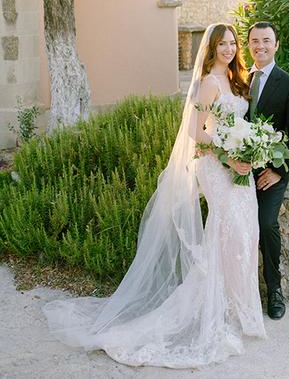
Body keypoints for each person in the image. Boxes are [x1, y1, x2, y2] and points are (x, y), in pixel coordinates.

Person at [43, 23, 266, 368]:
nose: (228, 49)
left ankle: (238, 305)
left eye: (232, 43)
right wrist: (229, 155)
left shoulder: (237, 80)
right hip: (216, 165)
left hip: (240, 168)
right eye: (222, 44)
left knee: (245, 232)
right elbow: (196, 131)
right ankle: (216, 307)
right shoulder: (208, 83)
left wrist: (249, 152)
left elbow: (240, 124)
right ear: (210, 49)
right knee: (226, 230)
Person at [247, 21, 289, 320]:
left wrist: (279, 172)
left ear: (276, 44)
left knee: (265, 223)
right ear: (249, 46)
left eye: (266, 40)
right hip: (240, 170)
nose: (260, 46)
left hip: (272, 171)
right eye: (255, 41)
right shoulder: (239, 82)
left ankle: (274, 289)